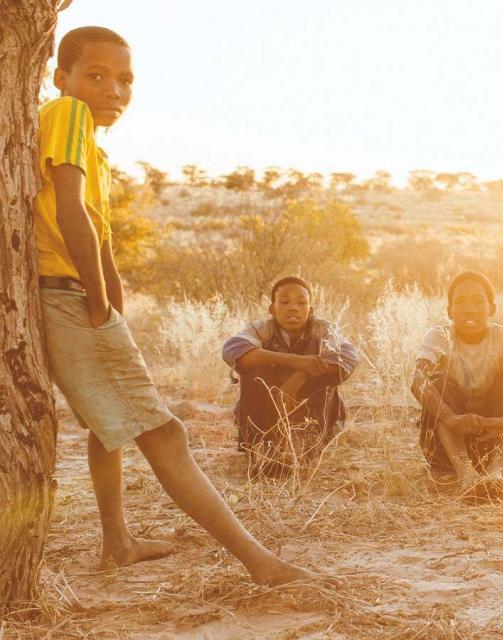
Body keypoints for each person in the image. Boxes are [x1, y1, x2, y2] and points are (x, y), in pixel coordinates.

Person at [34, 26, 336, 585]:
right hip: (68, 298)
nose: (113, 91)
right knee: (166, 435)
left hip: (75, 300)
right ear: (61, 79)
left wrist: (113, 309)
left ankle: (118, 542)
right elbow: (70, 213)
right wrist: (98, 305)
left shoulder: (93, 148)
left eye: (125, 80)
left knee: (107, 425)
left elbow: (100, 238)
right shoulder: (67, 115)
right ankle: (261, 564)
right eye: (95, 76)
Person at [410, 271, 503, 501]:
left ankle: (496, 471)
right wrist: (450, 418)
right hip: (444, 446)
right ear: (449, 311)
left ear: (492, 308)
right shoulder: (439, 336)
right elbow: (418, 380)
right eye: (461, 302)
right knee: (437, 379)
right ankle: (465, 474)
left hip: (492, 439)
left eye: (478, 301)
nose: (470, 309)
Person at [222, 276, 359, 471]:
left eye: (301, 303)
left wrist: (300, 376)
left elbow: (348, 357)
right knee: (252, 369)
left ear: (310, 310)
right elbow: (233, 350)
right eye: (284, 302)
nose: (293, 308)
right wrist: (296, 361)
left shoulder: (323, 328)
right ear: (272, 309)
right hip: (270, 410)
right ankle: (262, 447)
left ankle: (310, 443)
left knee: (327, 370)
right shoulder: (261, 329)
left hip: (311, 412)